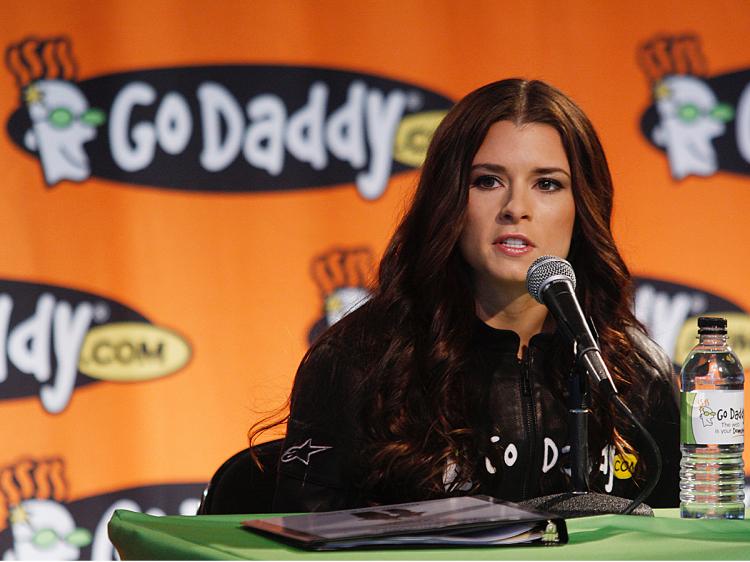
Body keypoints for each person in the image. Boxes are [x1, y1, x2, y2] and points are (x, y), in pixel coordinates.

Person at [250, 78, 680, 513]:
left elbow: (683, 545)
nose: (516, 207)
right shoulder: (359, 360)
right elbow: (306, 544)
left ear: (583, 205)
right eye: (488, 181)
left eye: (547, 184)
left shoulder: (636, 372)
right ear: (449, 198)